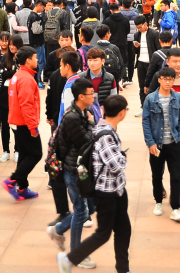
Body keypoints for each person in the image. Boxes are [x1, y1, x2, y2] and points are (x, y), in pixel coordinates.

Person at [56, 94, 132, 273]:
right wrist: (123, 156)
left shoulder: (105, 128)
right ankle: (69, 259)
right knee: (103, 233)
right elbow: (116, 165)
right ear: (122, 113)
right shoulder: (106, 135)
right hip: (106, 193)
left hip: (117, 190)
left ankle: (123, 269)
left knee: (124, 229)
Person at [48, 77, 96, 263]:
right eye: (91, 93)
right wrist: (91, 124)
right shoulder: (72, 118)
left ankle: (58, 230)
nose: (93, 96)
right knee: (81, 210)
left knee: (90, 207)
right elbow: (86, 141)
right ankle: (76, 255)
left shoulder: (83, 112)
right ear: (81, 96)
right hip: (72, 170)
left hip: (81, 168)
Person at [142, 66, 180, 222]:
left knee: (176, 176)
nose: (168, 82)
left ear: (174, 80)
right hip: (157, 144)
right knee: (157, 175)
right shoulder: (150, 99)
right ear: (159, 80)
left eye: (170, 79)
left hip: (174, 143)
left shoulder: (178, 97)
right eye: (165, 79)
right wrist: (150, 143)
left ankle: (175, 208)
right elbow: (146, 122)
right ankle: (158, 202)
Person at [5, 46, 42, 200]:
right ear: (28, 60)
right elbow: (26, 105)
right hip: (24, 123)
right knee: (35, 154)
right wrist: (33, 127)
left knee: (25, 154)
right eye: (35, 57)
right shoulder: (26, 79)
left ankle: (22, 187)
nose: (37, 60)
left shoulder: (18, 75)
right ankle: (12, 180)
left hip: (17, 121)